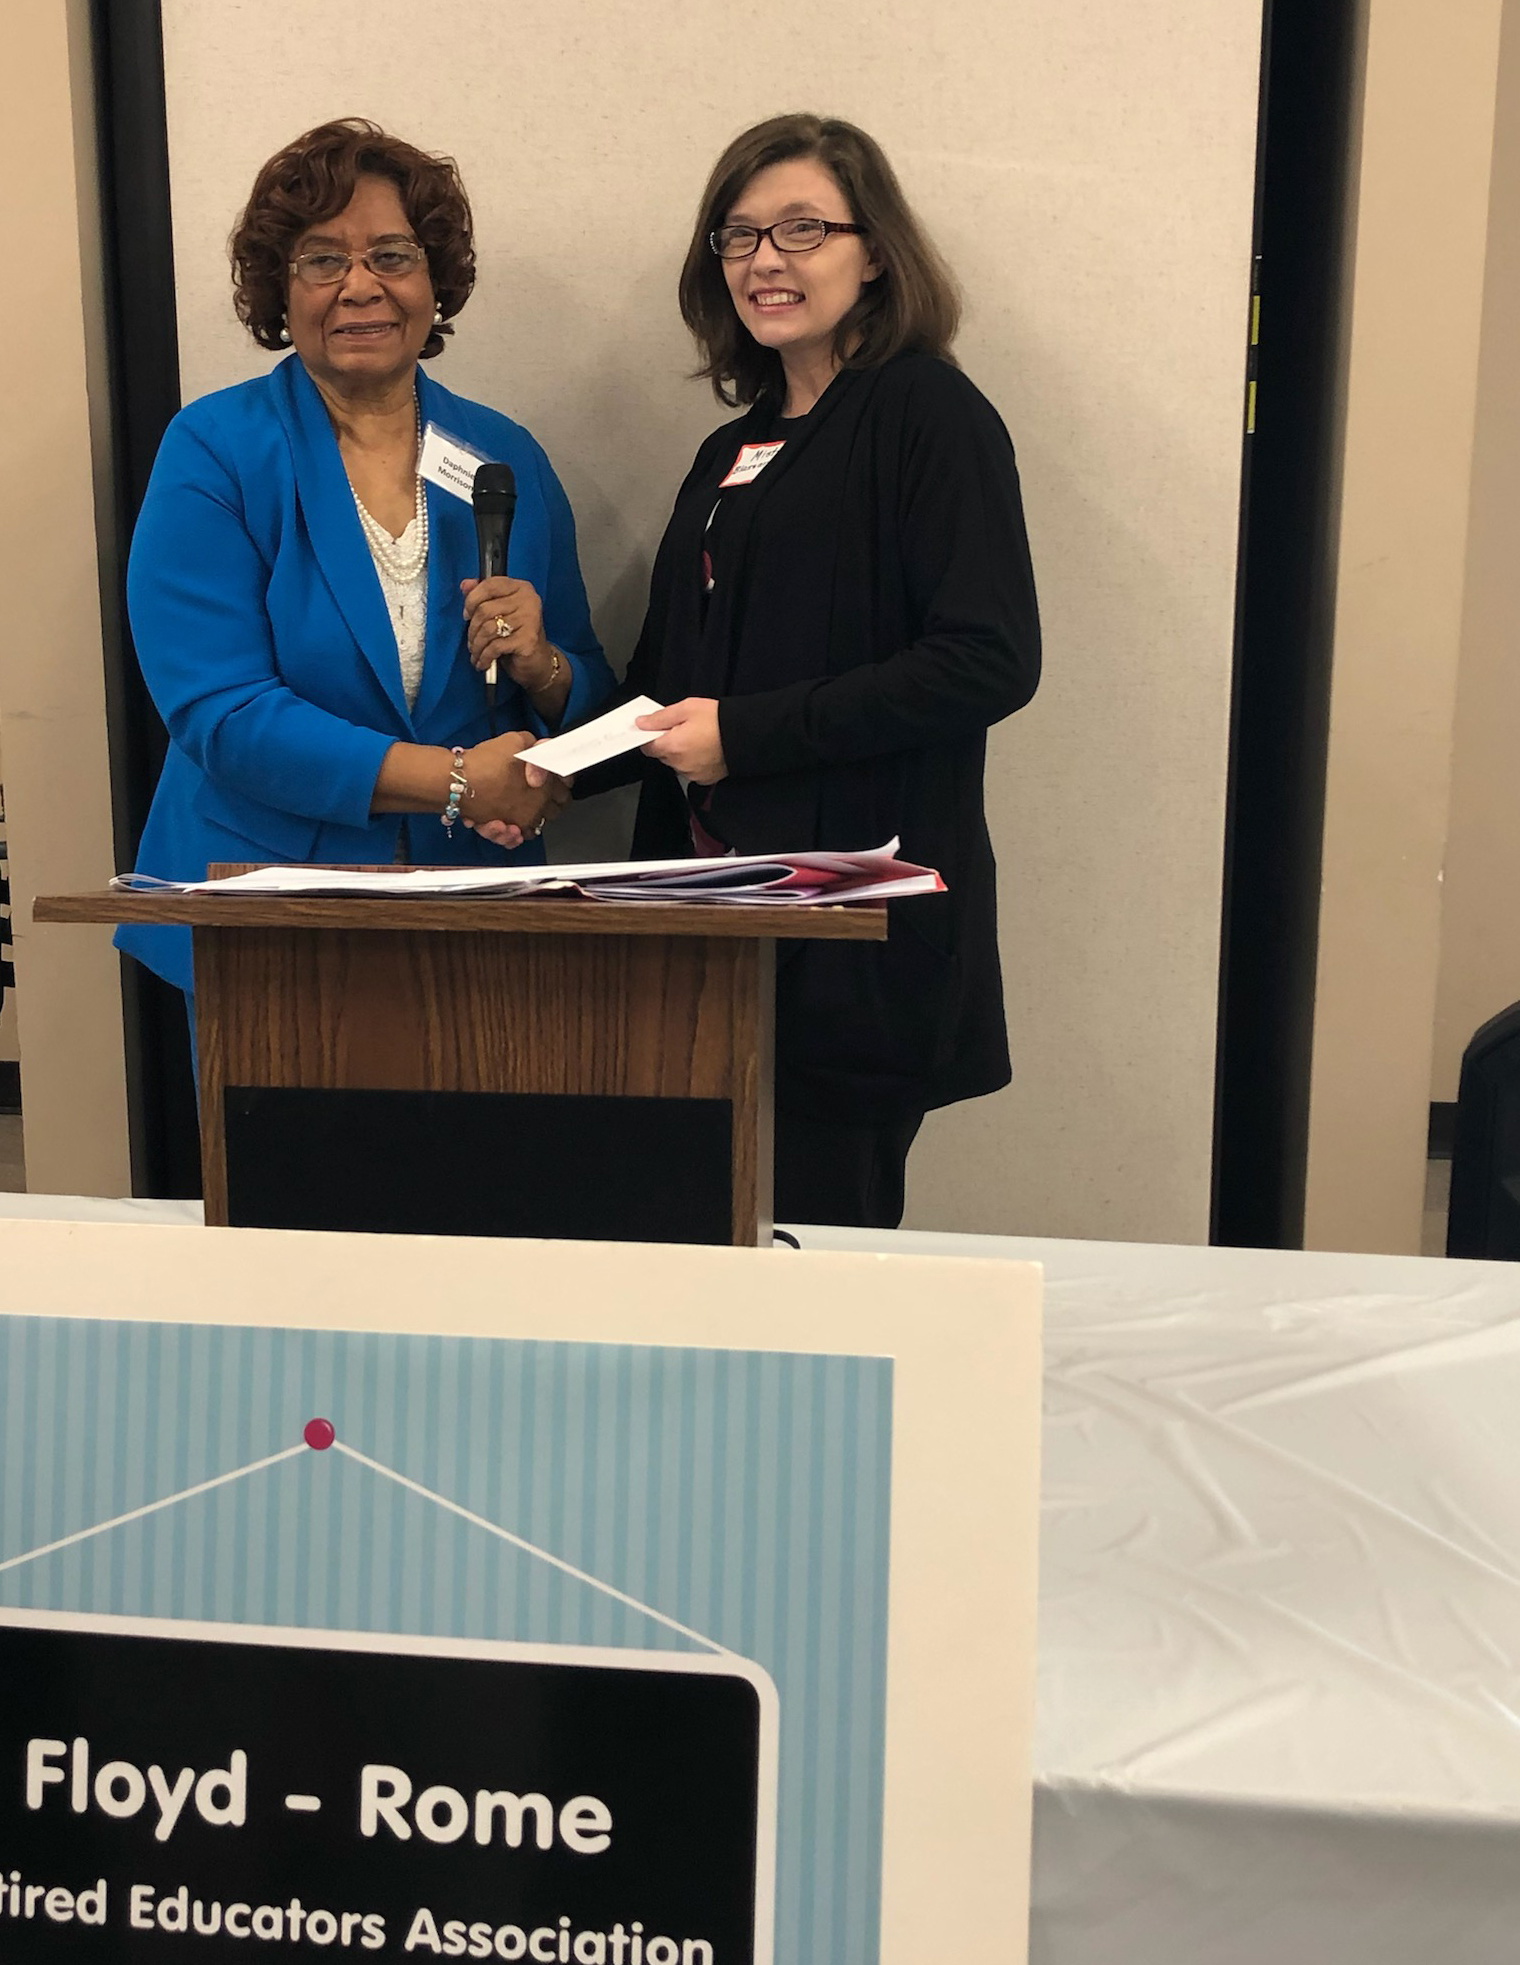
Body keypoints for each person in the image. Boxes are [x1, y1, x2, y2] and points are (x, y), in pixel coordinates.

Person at [620, 113, 1041, 1227]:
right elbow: (669, 687)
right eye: (741, 234)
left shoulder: (928, 415)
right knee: (695, 1246)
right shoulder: (731, 450)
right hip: (708, 922)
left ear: (877, 251)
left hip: (848, 922)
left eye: (804, 229)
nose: (767, 259)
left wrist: (747, 736)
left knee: (819, 1261)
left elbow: (988, 658)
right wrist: (552, 747)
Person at [118, 118, 613, 1007]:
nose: (359, 287)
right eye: (321, 260)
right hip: (270, 901)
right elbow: (219, 713)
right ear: (281, 285)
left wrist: (543, 669)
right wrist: (458, 781)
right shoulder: (215, 450)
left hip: (478, 904)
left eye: (390, 255)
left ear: (433, 281)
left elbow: (587, 694)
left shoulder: (504, 455)